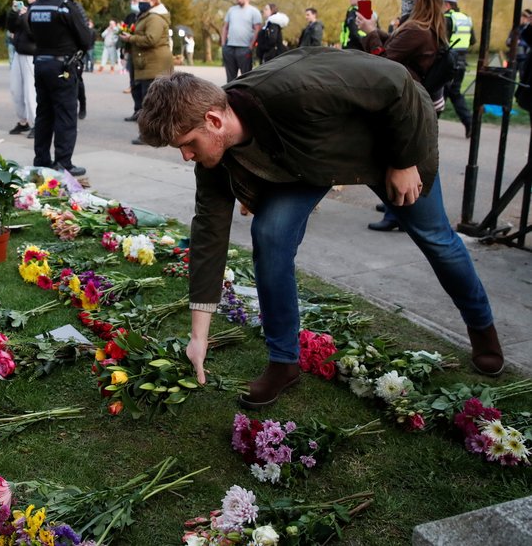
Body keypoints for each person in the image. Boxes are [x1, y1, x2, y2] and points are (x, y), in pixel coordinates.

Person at [136, 49, 503, 409]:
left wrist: (404, 160)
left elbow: (398, 84)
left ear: (214, 120)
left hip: (389, 142)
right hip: (310, 162)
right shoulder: (214, 154)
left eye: (187, 145)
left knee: (434, 237)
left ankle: (482, 329)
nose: (186, 156)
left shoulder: (296, 90)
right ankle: (284, 361)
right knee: (270, 234)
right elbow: (208, 235)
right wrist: (198, 336)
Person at [356, 0, 447, 232]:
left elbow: (385, 64)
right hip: (409, 103)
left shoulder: (418, 29)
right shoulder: (417, 25)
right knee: (404, 162)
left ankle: (400, 213)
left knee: (408, 162)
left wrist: (371, 31)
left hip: (406, 105)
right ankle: (397, 209)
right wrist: (376, 31)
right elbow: (396, 48)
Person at [26, 0, 92, 177]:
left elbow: (29, 32)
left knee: (44, 113)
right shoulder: (65, 7)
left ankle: (42, 160)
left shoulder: (34, 7)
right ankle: (63, 163)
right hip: (62, 67)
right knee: (65, 115)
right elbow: (85, 40)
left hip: (41, 64)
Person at [118, 0, 173, 145]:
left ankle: (149, 136)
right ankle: (156, 134)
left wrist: (131, 39)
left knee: (150, 102)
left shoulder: (154, 18)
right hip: (148, 63)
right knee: (151, 101)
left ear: (154, 0)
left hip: (154, 64)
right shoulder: (147, 16)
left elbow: (151, 39)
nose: (140, 1)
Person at [6, 0, 40, 136]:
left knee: (30, 92)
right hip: (18, 52)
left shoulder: (38, 12)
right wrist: (14, 13)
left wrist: (26, 16)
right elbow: (12, 28)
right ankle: (23, 121)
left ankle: (37, 124)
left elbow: (33, 33)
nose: (29, 0)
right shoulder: (25, 11)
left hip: (30, 54)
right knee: (15, 90)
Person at [442, 0, 475, 137]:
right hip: (461, 63)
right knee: (454, 93)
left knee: (437, 93)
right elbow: (472, 41)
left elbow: (440, 39)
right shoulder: (466, 19)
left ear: (447, 5)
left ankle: (427, 127)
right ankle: (470, 123)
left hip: (447, 62)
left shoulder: (448, 19)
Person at [221, 0, 262, 82]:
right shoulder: (231, 10)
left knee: (246, 77)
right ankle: (230, 95)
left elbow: (257, 29)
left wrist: (251, 46)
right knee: (230, 78)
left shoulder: (254, 11)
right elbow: (225, 27)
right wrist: (223, 44)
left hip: (244, 48)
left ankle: (245, 96)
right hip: (229, 47)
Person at [122, 0, 144, 121]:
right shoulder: (130, 17)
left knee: (142, 85)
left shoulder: (145, 16)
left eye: (135, 1)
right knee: (134, 84)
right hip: (131, 53)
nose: (133, 3)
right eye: (131, 1)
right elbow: (124, 31)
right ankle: (137, 110)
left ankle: (144, 113)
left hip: (142, 54)